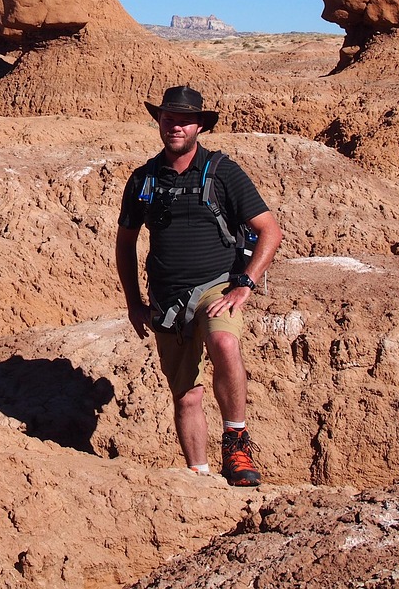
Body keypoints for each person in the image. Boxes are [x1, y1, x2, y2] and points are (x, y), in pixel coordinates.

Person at [115, 85, 282, 486]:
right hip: (166, 299)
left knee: (224, 342)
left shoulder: (222, 172)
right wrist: (134, 302)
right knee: (186, 393)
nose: (175, 126)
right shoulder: (143, 179)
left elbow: (269, 230)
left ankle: (236, 443)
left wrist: (244, 283)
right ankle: (200, 477)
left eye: (184, 120)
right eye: (168, 118)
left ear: (199, 126)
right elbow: (125, 241)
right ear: (159, 122)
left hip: (216, 288)